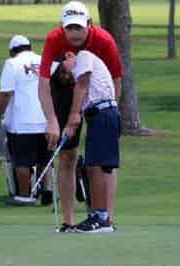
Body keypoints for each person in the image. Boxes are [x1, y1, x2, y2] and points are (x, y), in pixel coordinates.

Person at [38, 1, 123, 232]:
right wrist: (52, 120)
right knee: (68, 155)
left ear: (90, 24)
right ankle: (68, 220)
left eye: (79, 27)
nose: (74, 33)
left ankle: (106, 218)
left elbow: (116, 81)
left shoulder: (104, 41)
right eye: (70, 28)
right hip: (66, 87)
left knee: (104, 163)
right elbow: (44, 84)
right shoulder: (54, 39)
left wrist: (109, 114)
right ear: (62, 27)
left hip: (98, 94)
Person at [59, 51, 121, 233]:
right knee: (94, 166)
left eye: (64, 69)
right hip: (99, 115)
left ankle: (100, 218)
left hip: (103, 112)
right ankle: (99, 216)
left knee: (97, 167)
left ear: (69, 56)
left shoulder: (83, 57)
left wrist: (73, 116)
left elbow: (83, 83)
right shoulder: (80, 71)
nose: (67, 75)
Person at [0, 35, 53, 206]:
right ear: (30, 46)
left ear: (12, 51)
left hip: (21, 122)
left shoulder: (11, 63)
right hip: (46, 120)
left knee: (22, 161)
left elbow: (5, 93)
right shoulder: (43, 61)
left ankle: (25, 196)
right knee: (45, 158)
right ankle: (47, 188)